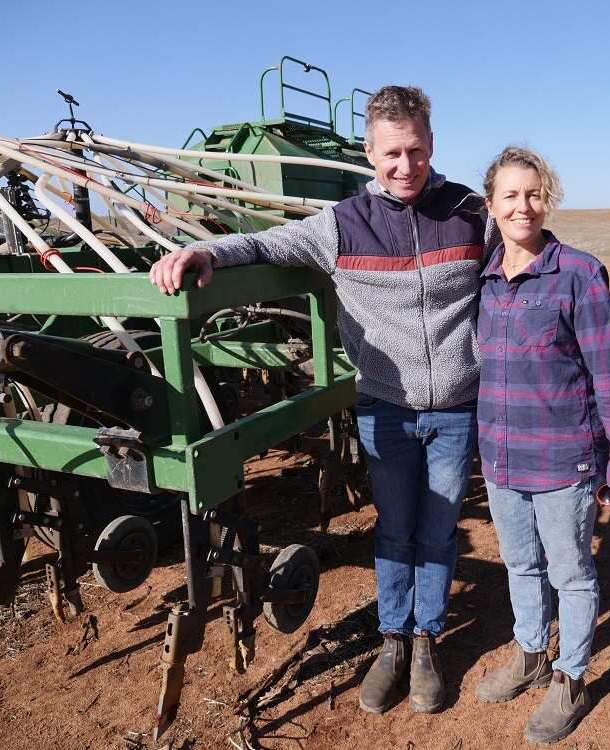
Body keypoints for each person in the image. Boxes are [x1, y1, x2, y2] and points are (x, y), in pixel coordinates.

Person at [149, 86, 488, 715]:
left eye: (416, 150)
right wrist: (202, 251)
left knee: (439, 530)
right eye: (391, 153)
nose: (405, 165)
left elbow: (524, 256)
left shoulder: (471, 212)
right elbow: (261, 246)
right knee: (395, 527)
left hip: (456, 410)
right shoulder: (341, 225)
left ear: (432, 145)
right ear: (368, 152)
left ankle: (427, 640)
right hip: (386, 408)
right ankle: (392, 644)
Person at [472, 146, 610, 744]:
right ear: (491, 205)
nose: (523, 206)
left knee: (570, 574)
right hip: (499, 455)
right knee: (520, 564)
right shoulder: (485, 277)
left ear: (547, 198)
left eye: (534, 193)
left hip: (562, 457)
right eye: (510, 196)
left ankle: (571, 676)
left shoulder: (579, 272)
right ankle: (529, 654)